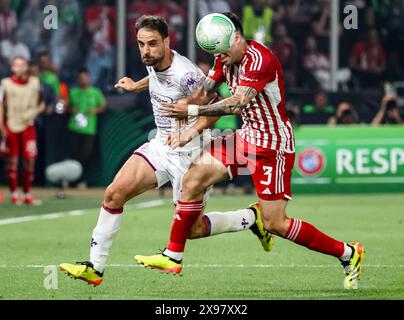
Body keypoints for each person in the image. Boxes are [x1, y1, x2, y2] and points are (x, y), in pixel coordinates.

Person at [135, 12, 365, 290]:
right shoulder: (223, 57)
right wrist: (182, 110)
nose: (220, 58)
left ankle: (348, 253)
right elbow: (206, 91)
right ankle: (173, 255)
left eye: (222, 51)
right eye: (215, 53)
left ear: (236, 37)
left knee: (276, 223)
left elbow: (236, 104)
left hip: (272, 145)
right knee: (193, 179)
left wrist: (192, 110)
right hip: (245, 138)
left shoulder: (260, 60)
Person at [59, 15, 272, 287]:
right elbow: (158, 78)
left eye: (152, 44)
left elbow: (215, 107)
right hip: (160, 146)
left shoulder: (187, 74)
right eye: (140, 44)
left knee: (193, 230)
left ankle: (251, 218)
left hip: (191, 155)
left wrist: (189, 131)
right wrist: (136, 85)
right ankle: (95, 267)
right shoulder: (153, 61)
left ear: (167, 42)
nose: (146, 50)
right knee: (114, 194)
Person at [0, 56, 45, 205]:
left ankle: (27, 194)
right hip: (11, 125)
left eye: (22, 65)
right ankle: (14, 194)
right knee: (12, 161)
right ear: (12, 68)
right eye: (16, 65)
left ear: (26, 67)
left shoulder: (35, 83)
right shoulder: (5, 84)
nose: (19, 68)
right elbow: (1, 105)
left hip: (28, 125)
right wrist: (1, 126)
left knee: (29, 161)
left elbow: (42, 103)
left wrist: (33, 113)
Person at [67, 68, 106, 187]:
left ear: (89, 78)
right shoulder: (73, 92)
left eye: (85, 77)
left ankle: (82, 180)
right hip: (74, 128)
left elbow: (103, 106)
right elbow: (67, 107)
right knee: (73, 154)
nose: (83, 80)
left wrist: (96, 110)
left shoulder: (95, 92)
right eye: (81, 78)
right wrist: (70, 109)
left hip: (89, 129)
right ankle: (72, 180)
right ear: (78, 79)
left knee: (86, 155)